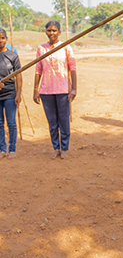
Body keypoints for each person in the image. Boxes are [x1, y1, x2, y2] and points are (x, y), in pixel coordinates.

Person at [34, 21, 76, 160]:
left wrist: (74, 88)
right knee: (52, 122)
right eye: (49, 30)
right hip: (46, 91)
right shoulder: (41, 49)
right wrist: (35, 89)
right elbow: (38, 69)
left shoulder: (66, 47)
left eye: (54, 30)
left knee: (63, 120)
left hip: (63, 90)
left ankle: (64, 148)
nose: (51, 33)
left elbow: (72, 68)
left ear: (59, 32)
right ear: (45, 31)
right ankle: (56, 148)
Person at [0, 28, 22, 159]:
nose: (0, 41)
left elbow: (19, 76)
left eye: (2, 38)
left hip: (10, 94)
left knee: (11, 123)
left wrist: (18, 93)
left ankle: (12, 148)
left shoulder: (12, 55)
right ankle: (2, 149)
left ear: (6, 39)